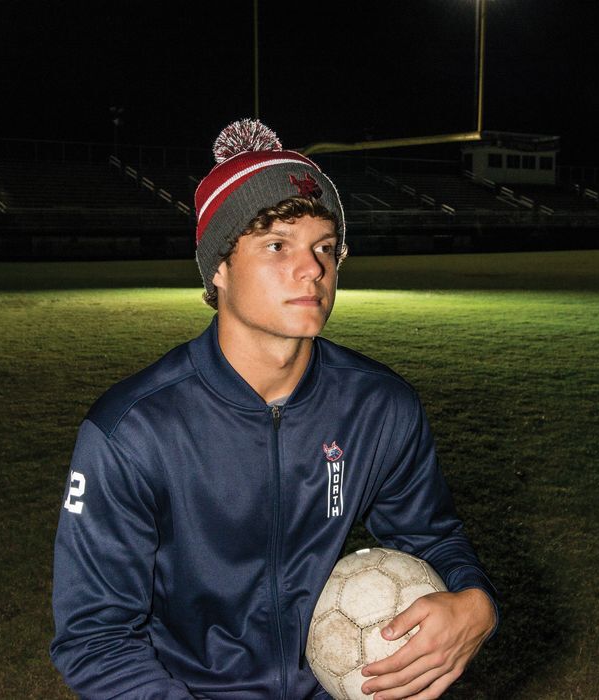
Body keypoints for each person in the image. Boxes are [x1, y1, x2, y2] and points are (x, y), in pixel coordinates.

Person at [51, 119, 497, 700]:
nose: (312, 268)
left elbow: (431, 537)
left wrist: (476, 600)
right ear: (218, 267)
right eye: (277, 245)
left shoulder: (379, 405)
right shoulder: (132, 431)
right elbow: (95, 638)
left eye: (324, 247)